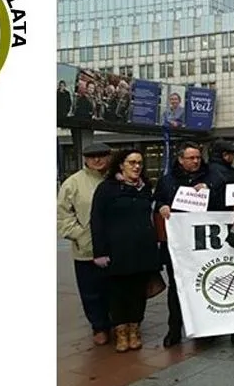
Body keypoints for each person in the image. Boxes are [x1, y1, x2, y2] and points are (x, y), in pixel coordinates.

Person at [90, 149, 162, 353]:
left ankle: (134, 330)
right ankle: (121, 332)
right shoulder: (106, 189)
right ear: (121, 165)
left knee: (138, 293)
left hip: (142, 250)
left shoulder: (145, 188)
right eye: (131, 162)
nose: (136, 166)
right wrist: (100, 252)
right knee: (117, 294)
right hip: (117, 251)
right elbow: (97, 221)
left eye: (139, 162)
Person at [154, 142, 219, 347]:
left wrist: (210, 190)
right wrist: (162, 206)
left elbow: (222, 203)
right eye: (191, 158)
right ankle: (174, 329)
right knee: (177, 287)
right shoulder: (167, 180)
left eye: (198, 157)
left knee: (204, 284)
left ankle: (205, 329)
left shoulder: (211, 177)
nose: (196, 161)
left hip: (203, 243)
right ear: (181, 159)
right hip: (178, 245)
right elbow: (158, 201)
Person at [56, 143, 112, 346]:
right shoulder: (73, 183)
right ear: (85, 159)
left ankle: (117, 322)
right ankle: (99, 326)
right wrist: (80, 235)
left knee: (115, 288)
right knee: (91, 290)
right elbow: (63, 215)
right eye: (92, 156)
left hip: (115, 246)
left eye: (101, 156)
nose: (97, 160)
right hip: (86, 248)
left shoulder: (116, 178)